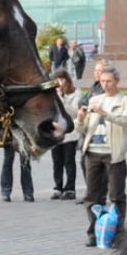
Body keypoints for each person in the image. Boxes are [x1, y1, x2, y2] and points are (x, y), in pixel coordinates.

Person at [76, 67, 127, 246]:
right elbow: (80, 129)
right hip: (93, 153)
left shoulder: (123, 101)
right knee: (92, 196)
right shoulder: (94, 99)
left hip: (114, 155)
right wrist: (80, 118)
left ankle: (118, 236)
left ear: (117, 82)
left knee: (117, 196)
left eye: (109, 81)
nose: (105, 84)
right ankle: (94, 233)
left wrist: (105, 113)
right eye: (103, 81)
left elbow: (124, 121)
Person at [52, 70, 81, 199]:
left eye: (62, 79)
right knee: (57, 161)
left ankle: (70, 189)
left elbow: (75, 112)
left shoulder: (76, 93)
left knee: (69, 161)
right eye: (57, 80)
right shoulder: (53, 94)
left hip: (70, 132)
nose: (60, 83)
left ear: (67, 79)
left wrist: (62, 100)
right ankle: (58, 187)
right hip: (56, 132)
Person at [0, 137, 36, 202]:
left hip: (24, 132)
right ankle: (6, 191)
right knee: (8, 160)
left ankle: (28, 192)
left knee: (25, 163)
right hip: (8, 131)